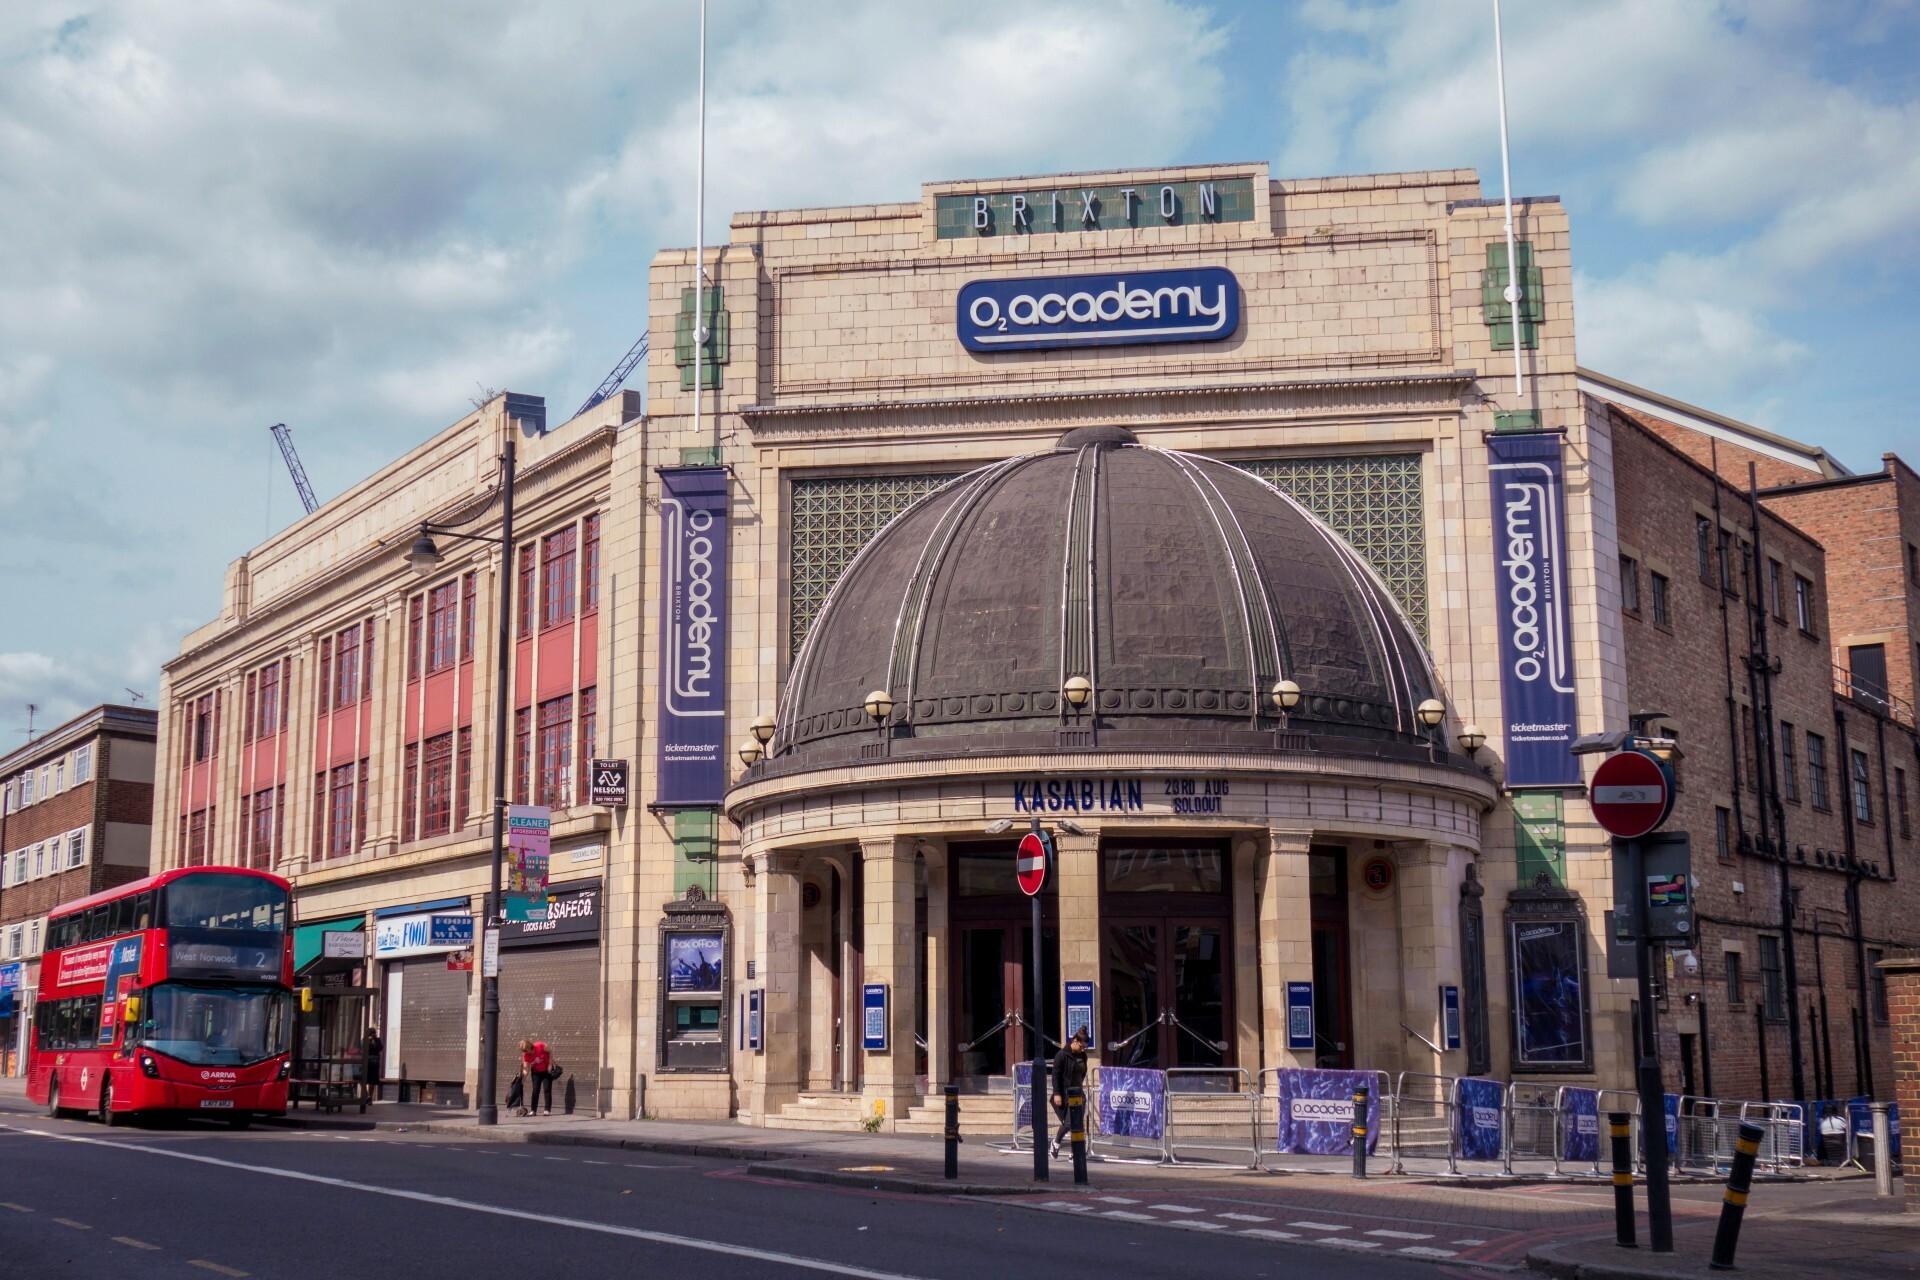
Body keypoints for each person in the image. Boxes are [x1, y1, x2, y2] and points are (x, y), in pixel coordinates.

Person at [1048, 1027, 1091, 1159]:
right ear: (1075, 1040)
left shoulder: (1083, 1056)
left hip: (1078, 1093)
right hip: (1066, 1094)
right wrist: (1057, 1093)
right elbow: (1055, 1075)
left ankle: (1074, 1152)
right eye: (1082, 1046)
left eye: (1085, 1048)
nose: (1083, 1049)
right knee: (1069, 1123)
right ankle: (1056, 1143)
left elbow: (1082, 1073)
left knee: (1078, 1123)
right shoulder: (1062, 1055)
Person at [520, 1038, 554, 1116]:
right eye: (523, 1051)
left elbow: (551, 1051)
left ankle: (547, 1110)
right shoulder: (526, 1056)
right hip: (536, 1072)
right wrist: (522, 1082)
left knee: (547, 1090)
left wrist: (550, 1064)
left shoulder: (540, 1046)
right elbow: (526, 1069)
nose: (524, 1052)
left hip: (546, 1071)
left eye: (525, 1050)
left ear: (529, 1047)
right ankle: (533, 1110)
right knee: (535, 1090)